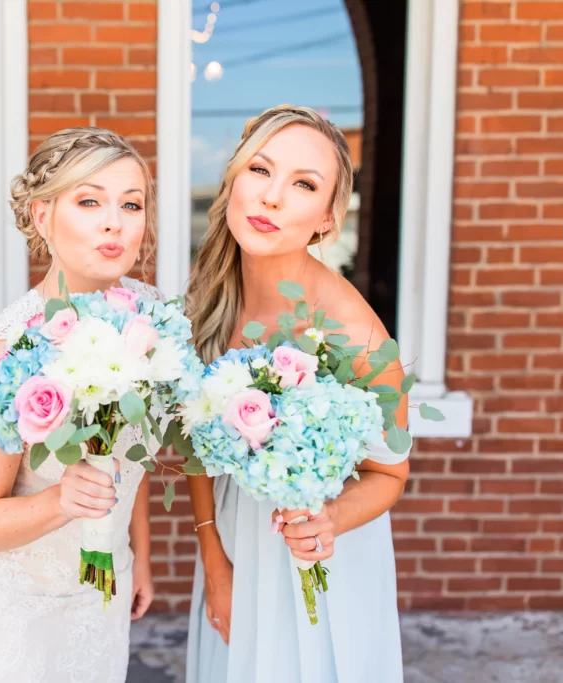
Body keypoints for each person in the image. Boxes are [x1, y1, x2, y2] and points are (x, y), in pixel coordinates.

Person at [184, 105, 410, 682]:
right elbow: (195, 441)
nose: (272, 197)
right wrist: (215, 561)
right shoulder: (211, 298)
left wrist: (329, 519)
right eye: (260, 171)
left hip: (317, 558)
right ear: (233, 179)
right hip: (236, 541)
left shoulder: (353, 333)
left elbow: (390, 474)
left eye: (304, 184)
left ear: (328, 218)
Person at [0, 127, 160, 683]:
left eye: (130, 204)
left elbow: (126, 458)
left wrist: (138, 555)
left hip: (99, 589)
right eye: (89, 201)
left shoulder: (151, 317)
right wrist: (63, 499)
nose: (115, 221)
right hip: (13, 606)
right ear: (42, 218)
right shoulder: (1, 354)